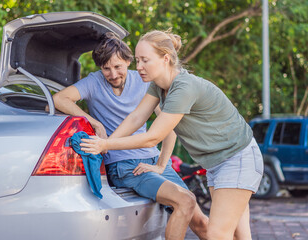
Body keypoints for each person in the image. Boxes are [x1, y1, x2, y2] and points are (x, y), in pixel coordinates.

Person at [81, 30, 264, 240]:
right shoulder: (158, 86)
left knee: (217, 234)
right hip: (218, 163)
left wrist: (104, 146)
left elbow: (153, 137)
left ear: (165, 59)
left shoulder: (183, 87)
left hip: (236, 159)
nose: (138, 66)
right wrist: (106, 143)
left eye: (144, 60)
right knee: (239, 236)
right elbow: (136, 118)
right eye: (138, 60)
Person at [52, 32, 208, 240]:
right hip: (123, 165)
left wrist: (162, 163)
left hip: (153, 161)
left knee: (202, 223)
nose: (113, 74)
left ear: (128, 61)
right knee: (184, 200)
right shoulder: (94, 82)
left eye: (118, 67)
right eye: (106, 68)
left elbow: (168, 127)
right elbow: (59, 99)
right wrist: (94, 122)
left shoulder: (144, 82)